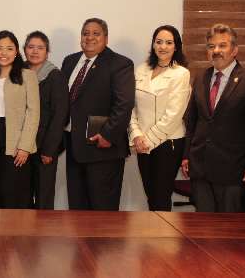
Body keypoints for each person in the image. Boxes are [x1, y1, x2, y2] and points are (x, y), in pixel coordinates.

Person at [182, 24, 245, 213]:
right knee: (202, 230)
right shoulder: (200, 78)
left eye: (222, 46)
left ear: (234, 50)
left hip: (233, 170)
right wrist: (186, 155)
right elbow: (192, 121)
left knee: (230, 231)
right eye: (211, 46)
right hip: (201, 167)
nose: (216, 51)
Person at [61, 18, 134, 211]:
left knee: (103, 212)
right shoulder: (69, 61)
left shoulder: (120, 64)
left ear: (106, 38)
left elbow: (124, 104)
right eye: (86, 33)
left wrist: (108, 135)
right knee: (77, 208)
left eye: (96, 33)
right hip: (74, 148)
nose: (90, 37)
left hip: (103, 149)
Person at [128, 25, 191, 211]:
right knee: (150, 197)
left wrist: (147, 140)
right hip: (141, 143)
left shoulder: (181, 74)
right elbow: (131, 107)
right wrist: (136, 135)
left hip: (167, 144)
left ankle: (163, 239)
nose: (163, 47)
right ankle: (152, 237)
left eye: (169, 42)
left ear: (176, 47)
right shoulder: (141, 69)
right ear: (153, 45)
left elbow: (174, 114)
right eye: (159, 42)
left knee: (161, 197)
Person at [0, 30, 39, 209]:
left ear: (17, 51)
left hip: (16, 142)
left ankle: (23, 236)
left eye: (9, 48)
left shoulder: (27, 76)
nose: (4, 53)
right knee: (1, 194)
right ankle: (5, 236)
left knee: (18, 195)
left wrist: (25, 147)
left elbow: (33, 113)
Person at [23, 31, 68, 209]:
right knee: (23, 194)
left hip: (44, 147)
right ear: (24, 50)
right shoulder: (18, 73)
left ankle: (41, 236)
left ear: (47, 52)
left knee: (43, 196)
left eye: (40, 48)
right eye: (31, 47)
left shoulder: (55, 76)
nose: (35, 51)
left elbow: (60, 115)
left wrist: (50, 150)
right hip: (22, 147)